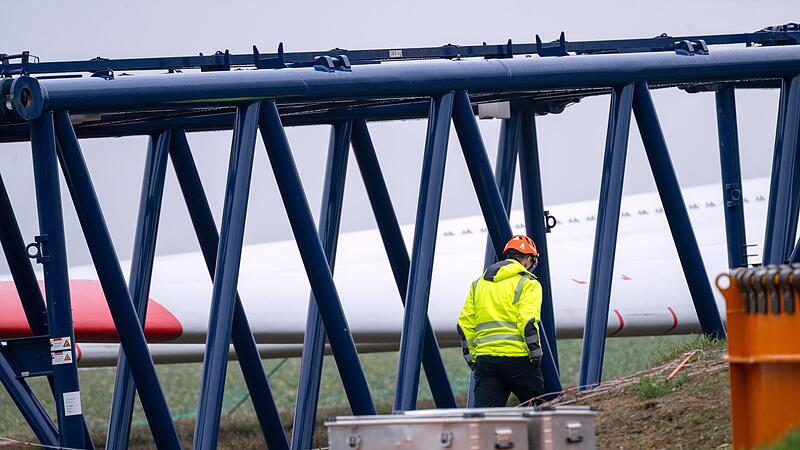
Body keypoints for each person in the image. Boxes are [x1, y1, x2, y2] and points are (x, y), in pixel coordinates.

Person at [457, 234, 545, 407]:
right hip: (518, 360)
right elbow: (528, 323)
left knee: (486, 421)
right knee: (539, 415)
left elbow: (464, 325)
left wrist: (472, 359)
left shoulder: (478, 284)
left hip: (486, 361)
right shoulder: (528, 283)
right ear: (527, 259)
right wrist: (535, 356)